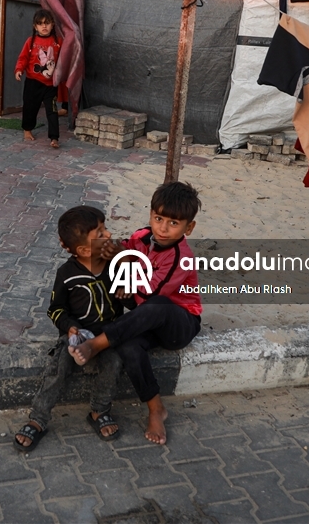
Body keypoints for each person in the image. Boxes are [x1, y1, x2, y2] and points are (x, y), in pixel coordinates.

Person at [69, 182, 203, 446]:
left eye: (173, 223)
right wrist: (113, 255)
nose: (163, 228)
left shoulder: (180, 256)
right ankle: (156, 409)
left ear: (189, 228)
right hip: (145, 313)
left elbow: (153, 292)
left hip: (179, 322)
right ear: (151, 215)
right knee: (129, 347)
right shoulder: (142, 236)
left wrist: (124, 264)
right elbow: (123, 250)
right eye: (158, 218)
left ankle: (97, 343)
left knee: (158, 305)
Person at [13, 206, 125, 452]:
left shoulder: (114, 266)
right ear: (84, 250)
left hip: (107, 336)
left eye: (105, 228)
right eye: (101, 232)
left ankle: (99, 411)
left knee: (114, 362)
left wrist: (125, 290)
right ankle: (38, 418)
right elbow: (55, 309)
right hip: (76, 338)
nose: (108, 235)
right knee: (58, 365)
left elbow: (131, 298)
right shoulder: (66, 274)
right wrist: (71, 327)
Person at [15, 8, 62, 148]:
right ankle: (27, 130)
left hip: (51, 84)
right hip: (33, 82)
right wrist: (19, 70)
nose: (44, 26)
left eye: (47, 23)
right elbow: (23, 58)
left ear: (52, 24)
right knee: (30, 107)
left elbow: (65, 58)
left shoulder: (58, 42)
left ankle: (54, 138)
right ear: (35, 26)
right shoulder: (31, 42)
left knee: (52, 110)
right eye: (40, 24)